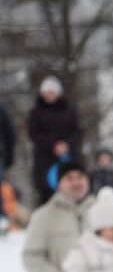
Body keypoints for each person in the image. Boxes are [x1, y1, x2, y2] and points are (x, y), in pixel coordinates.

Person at [27, 76, 83, 204]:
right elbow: (34, 133)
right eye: (47, 92)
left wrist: (67, 144)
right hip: (44, 158)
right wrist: (53, 145)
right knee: (46, 190)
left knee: (70, 187)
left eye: (52, 91)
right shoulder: (36, 112)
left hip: (67, 156)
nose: (49, 95)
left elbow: (77, 131)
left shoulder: (69, 110)